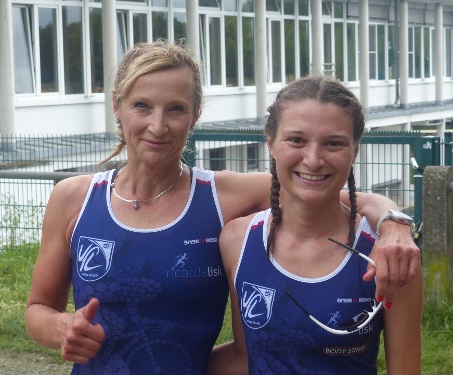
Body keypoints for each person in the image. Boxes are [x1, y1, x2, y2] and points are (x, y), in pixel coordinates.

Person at [25, 40, 420, 374]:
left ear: (195, 115)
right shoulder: (73, 198)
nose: (158, 125)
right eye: (142, 105)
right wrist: (60, 327)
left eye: (176, 109)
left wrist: (393, 223)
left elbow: (320, 188)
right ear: (118, 107)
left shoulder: (223, 197)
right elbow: (37, 309)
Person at [210, 75, 423, 374]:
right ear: (271, 144)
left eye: (333, 143)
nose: (313, 159)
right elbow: (246, 357)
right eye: (296, 140)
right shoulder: (237, 241)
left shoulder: (390, 255)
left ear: (355, 150)